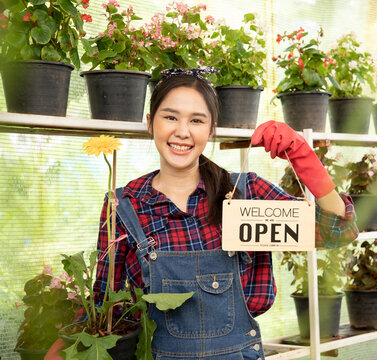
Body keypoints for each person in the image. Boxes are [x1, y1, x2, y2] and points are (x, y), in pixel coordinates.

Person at [46, 68, 359, 359]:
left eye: (196, 120)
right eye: (170, 117)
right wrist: (67, 348)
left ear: (210, 130)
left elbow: (336, 233)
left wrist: (306, 160)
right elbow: (104, 304)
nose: (182, 131)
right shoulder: (125, 205)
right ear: (149, 122)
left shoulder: (245, 192)